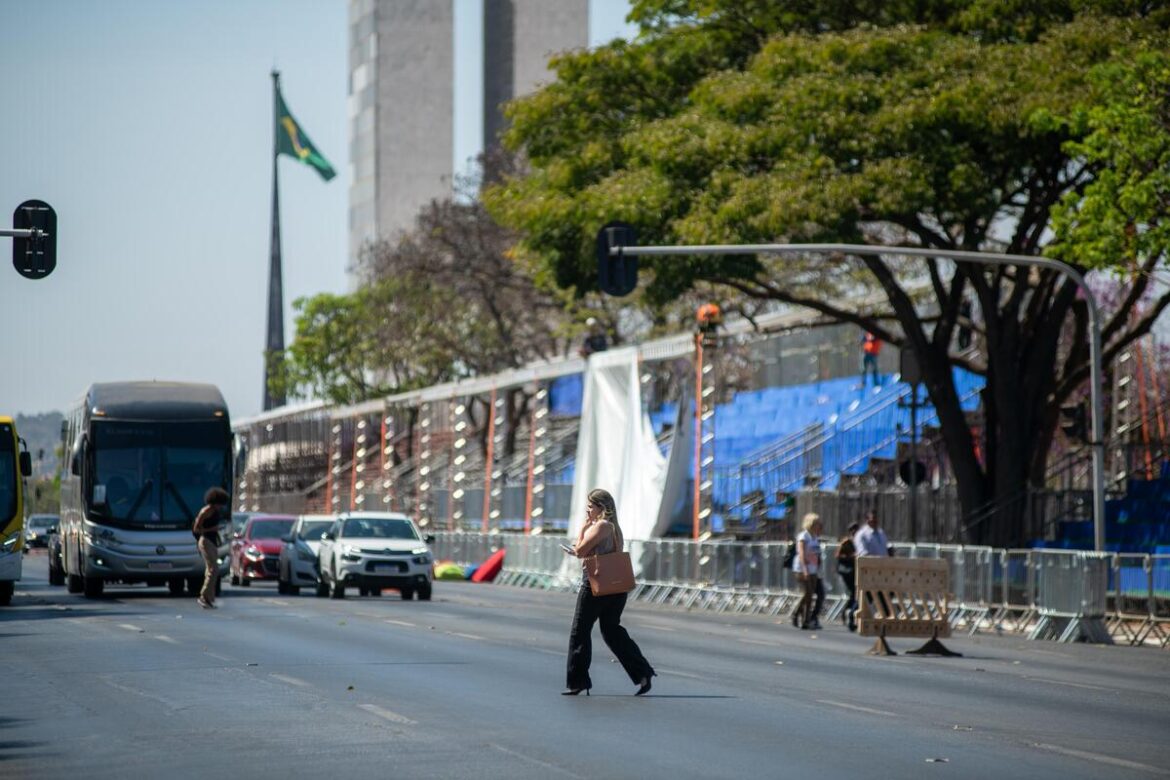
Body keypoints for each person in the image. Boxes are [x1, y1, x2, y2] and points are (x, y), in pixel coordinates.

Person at [562, 488, 656, 696]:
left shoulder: (601, 525)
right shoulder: (615, 527)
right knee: (611, 630)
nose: (587, 511)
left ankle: (578, 681)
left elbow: (579, 551)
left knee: (580, 630)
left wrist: (585, 527)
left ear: (600, 507)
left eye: (590, 507)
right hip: (616, 585)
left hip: (596, 585)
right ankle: (642, 672)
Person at [191, 487, 228, 609]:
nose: (220, 507)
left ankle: (209, 599)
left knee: (211, 570)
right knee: (214, 569)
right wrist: (211, 529)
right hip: (205, 540)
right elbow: (196, 529)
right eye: (219, 504)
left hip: (213, 542)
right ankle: (203, 596)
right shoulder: (205, 511)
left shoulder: (216, 511)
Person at [790, 513, 824, 630]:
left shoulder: (815, 537)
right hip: (802, 569)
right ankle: (800, 616)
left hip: (813, 569)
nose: (819, 526)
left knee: (810, 595)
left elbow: (817, 553)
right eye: (817, 524)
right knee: (807, 593)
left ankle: (802, 618)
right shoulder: (803, 536)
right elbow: (801, 553)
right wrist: (805, 570)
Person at [836, 522, 860, 631]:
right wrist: (850, 556)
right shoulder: (846, 542)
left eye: (856, 530)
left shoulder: (859, 542)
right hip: (847, 571)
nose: (855, 532)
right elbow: (838, 555)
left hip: (856, 570)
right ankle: (848, 612)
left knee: (855, 593)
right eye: (853, 530)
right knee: (854, 592)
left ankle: (847, 611)